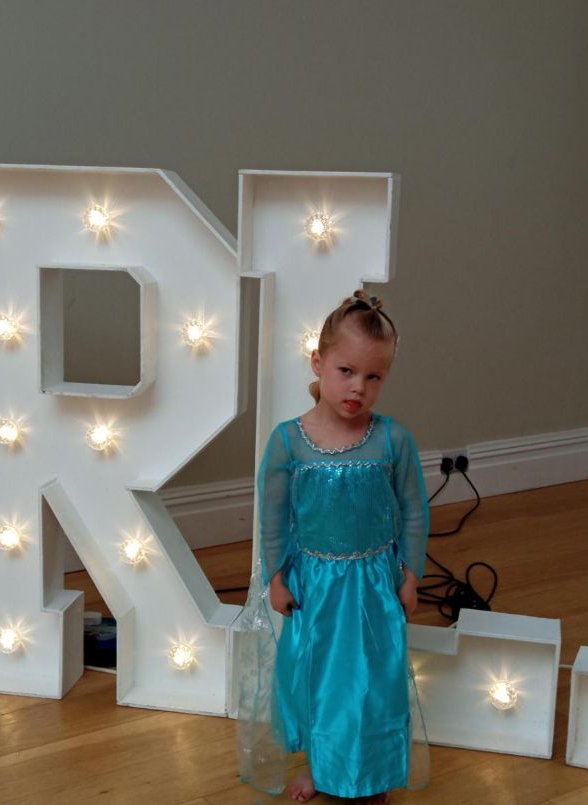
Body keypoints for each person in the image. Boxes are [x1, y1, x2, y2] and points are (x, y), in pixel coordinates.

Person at [236, 290, 430, 804]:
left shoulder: (393, 440)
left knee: (373, 685)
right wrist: (276, 577)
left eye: (374, 377)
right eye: (346, 371)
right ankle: (324, 771)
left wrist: (410, 575)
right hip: (315, 586)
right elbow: (273, 516)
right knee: (320, 683)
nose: (357, 388)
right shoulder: (288, 441)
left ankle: (374, 774)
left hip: (372, 586)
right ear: (318, 362)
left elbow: (413, 509)